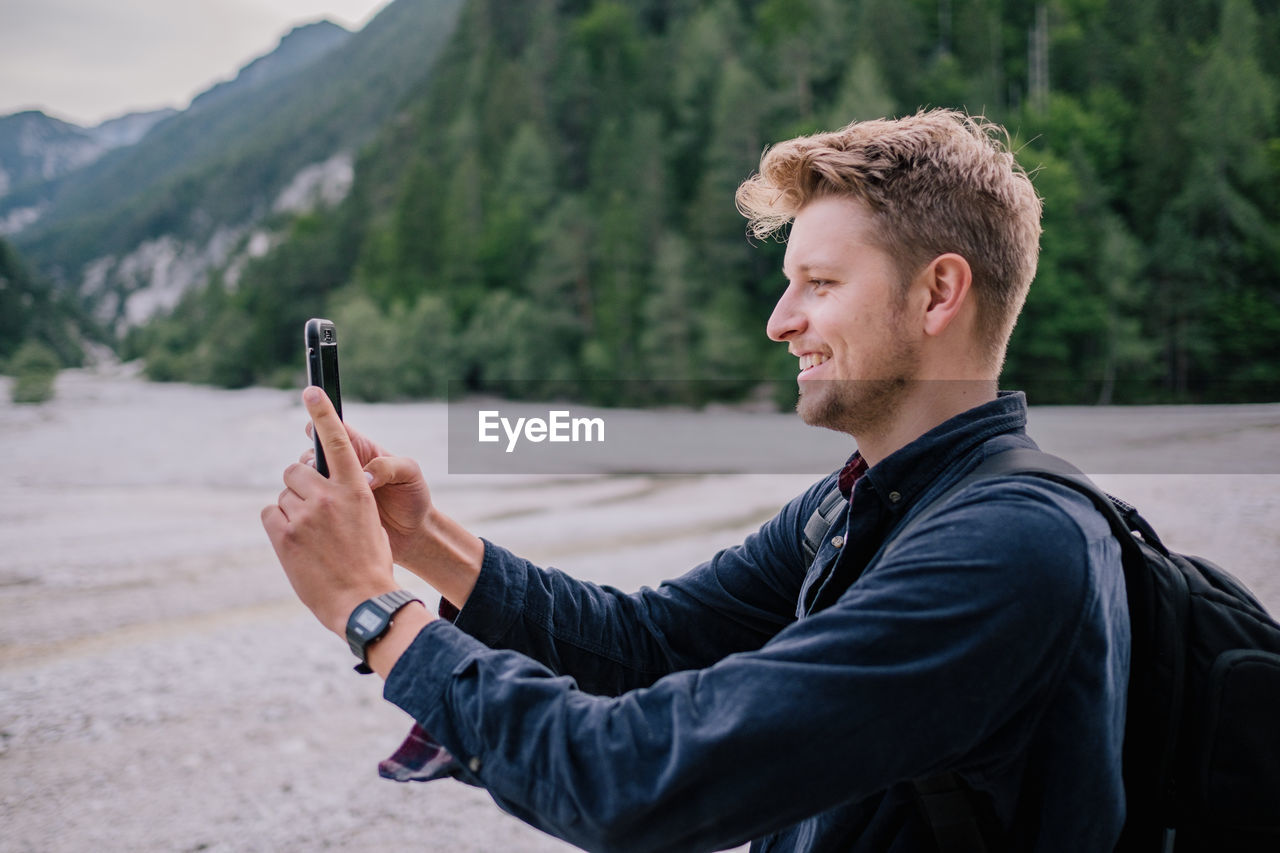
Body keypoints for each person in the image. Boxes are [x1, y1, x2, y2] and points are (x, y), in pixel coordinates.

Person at [261, 109, 1130, 852]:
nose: (779, 322)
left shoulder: (1006, 551)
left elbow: (635, 777)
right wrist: (422, 541)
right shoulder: (862, 503)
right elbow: (648, 646)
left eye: (818, 284)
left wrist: (372, 610)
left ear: (939, 293)